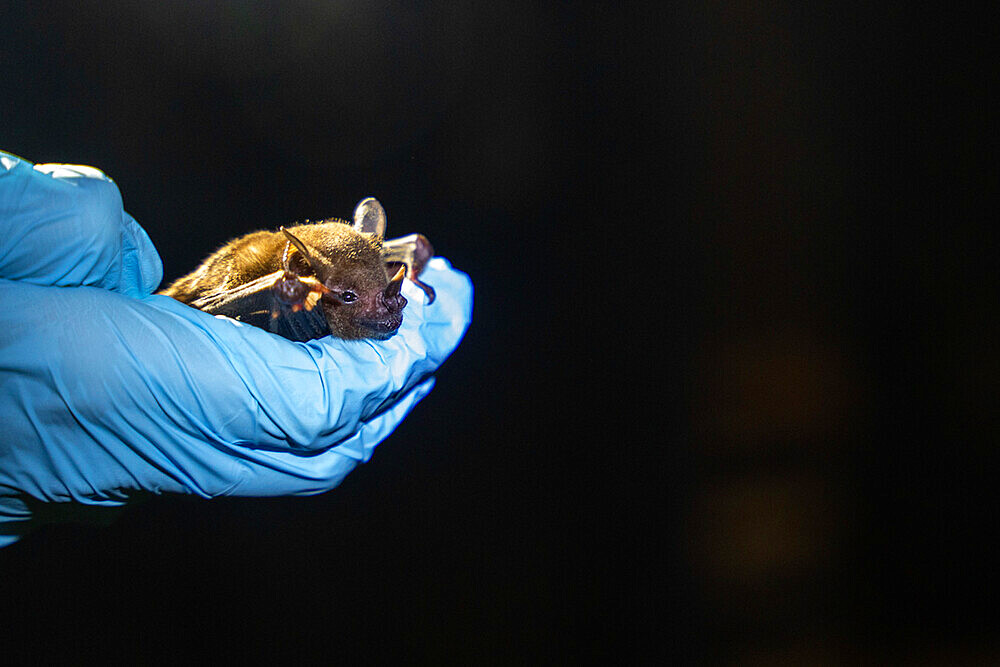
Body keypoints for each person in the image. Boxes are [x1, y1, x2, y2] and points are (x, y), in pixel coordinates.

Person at [0, 151, 472, 547]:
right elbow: (228, 303)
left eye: (388, 289)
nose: (386, 310)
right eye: (351, 297)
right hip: (213, 303)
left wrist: (375, 282)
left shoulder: (337, 279)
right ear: (302, 279)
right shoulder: (283, 291)